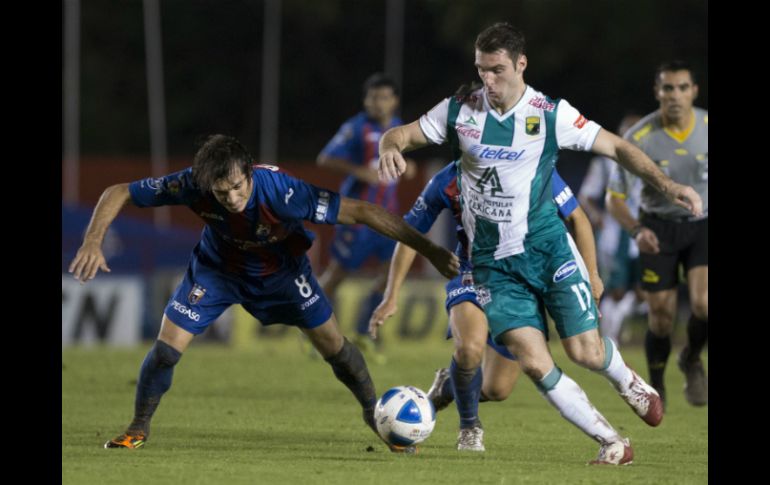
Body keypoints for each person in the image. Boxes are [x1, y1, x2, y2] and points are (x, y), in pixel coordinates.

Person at [377, 23, 703, 465]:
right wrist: (388, 147)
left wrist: (666, 186)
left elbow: (617, 149)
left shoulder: (550, 113)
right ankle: (613, 442)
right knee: (533, 363)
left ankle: (627, 381)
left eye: (496, 70)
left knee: (584, 351)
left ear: (520, 64)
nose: (487, 82)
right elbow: (402, 134)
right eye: (480, 70)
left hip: (548, 249)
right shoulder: (459, 111)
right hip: (493, 267)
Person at [67, 134, 459, 452]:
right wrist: (93, 240)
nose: (233, 199)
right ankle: (138, 427)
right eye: (222, 194)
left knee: (336, 348)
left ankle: (373, 412)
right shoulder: (191, 184)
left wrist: (432, 250)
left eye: (238, 187)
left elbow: (362, 212)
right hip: (217, 270)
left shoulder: (282, 191)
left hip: (283, 274)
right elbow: (119, 191)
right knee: (167, 349)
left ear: (249, 171)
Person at [369, 161, 602, 452]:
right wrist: (392, 294)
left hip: (519, 279)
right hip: (472, 271)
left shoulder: (532, 164)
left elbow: (578, 218)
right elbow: (408, 234)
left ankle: (448, 386)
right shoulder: (447, 180)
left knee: (496, 389)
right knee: (469, 349)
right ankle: (469, 427)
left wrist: (591, 274)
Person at [606, 60, 707, 408]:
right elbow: (614, 198)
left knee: (703, 303)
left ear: (693, 91)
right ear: (657, 92)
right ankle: (657, 384)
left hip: (701, 225)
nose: (675, 95)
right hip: (656, 229)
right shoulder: (639, 138)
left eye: (682, 87)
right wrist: (636, 231)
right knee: (661, 317)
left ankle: (691, 358)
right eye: (668, 88)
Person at [316, 73, 415, 363]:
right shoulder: (355, 128)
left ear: (394, 101)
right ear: (365, 100)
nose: (378, 103)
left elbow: (402, 163)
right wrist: (359, 172)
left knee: (388, 274)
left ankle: (363, 334)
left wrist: (406, 168)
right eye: (373, 97)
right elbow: (325, 158)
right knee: (337, 274)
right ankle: (312, 328)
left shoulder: (400, 128)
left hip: (387, 218)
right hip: (357, 217)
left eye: (384, 97)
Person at [578, 114, 646, 346]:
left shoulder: (651, 163)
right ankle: (609, 339)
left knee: (642, 291)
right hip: (613, 237)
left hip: (642, 236)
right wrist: (597, 217)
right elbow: (586, 195)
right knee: (616, 290)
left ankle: (614, 331)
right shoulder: (605, 163)